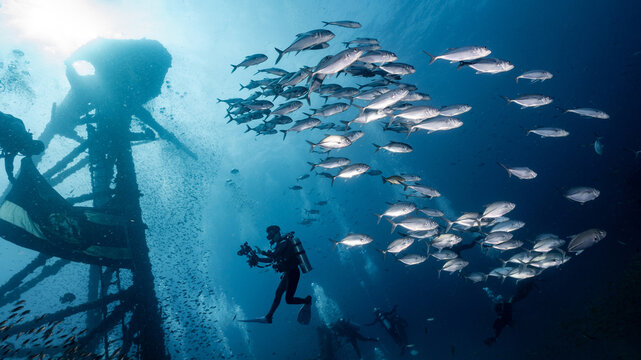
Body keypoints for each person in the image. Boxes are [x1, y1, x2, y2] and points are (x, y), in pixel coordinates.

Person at [257, 225, 311, 323]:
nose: (271, 237)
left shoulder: (285, 242)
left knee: (289, 300)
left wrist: (262, 253)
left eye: (272, 234)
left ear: (277, 233)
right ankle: (269, 317)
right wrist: (258, 259)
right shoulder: (279, 245)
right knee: (278, 294)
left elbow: (275, 255)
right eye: (270, 235)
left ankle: (307, 301)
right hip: (288, 274)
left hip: (293, 273)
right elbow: (272, 259)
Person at [484, 278, 536, 346]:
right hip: (505, 311)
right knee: (520, 295)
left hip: (505, 311)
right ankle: (523, 282)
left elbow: (499, 327)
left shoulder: (503, 318)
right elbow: (499, 327)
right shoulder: (503, 319)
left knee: (519, 295)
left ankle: (522, 282)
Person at [0, 111, 44, 182]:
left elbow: (9, 161)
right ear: (31, 147)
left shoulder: (17, 144)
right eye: (29, 152)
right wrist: (11, 177)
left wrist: (10, 177)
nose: (25, 154)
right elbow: (9, 160)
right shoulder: (19, 137)